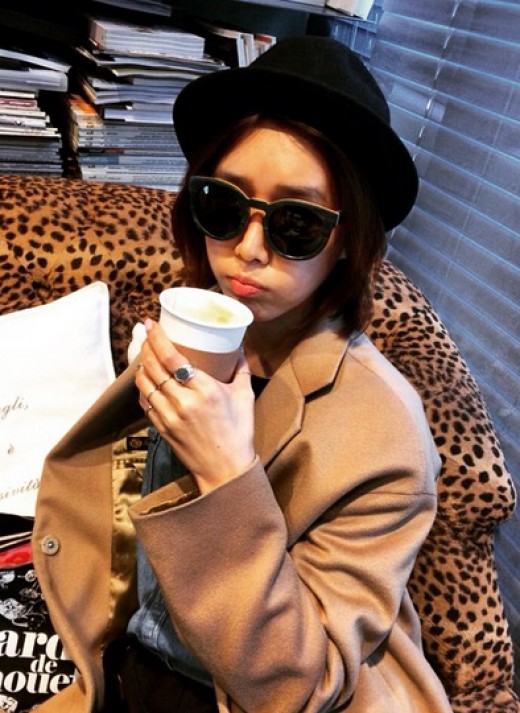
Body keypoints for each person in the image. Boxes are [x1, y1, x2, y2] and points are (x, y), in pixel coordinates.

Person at [32, 37, 453, 713]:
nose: (248, 250)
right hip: (135, 662)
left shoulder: (388, 436)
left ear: (349, 240)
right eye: (224, 206)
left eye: (296, 224)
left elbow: (300, 687)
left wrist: (228, 472)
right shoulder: (199, 330)